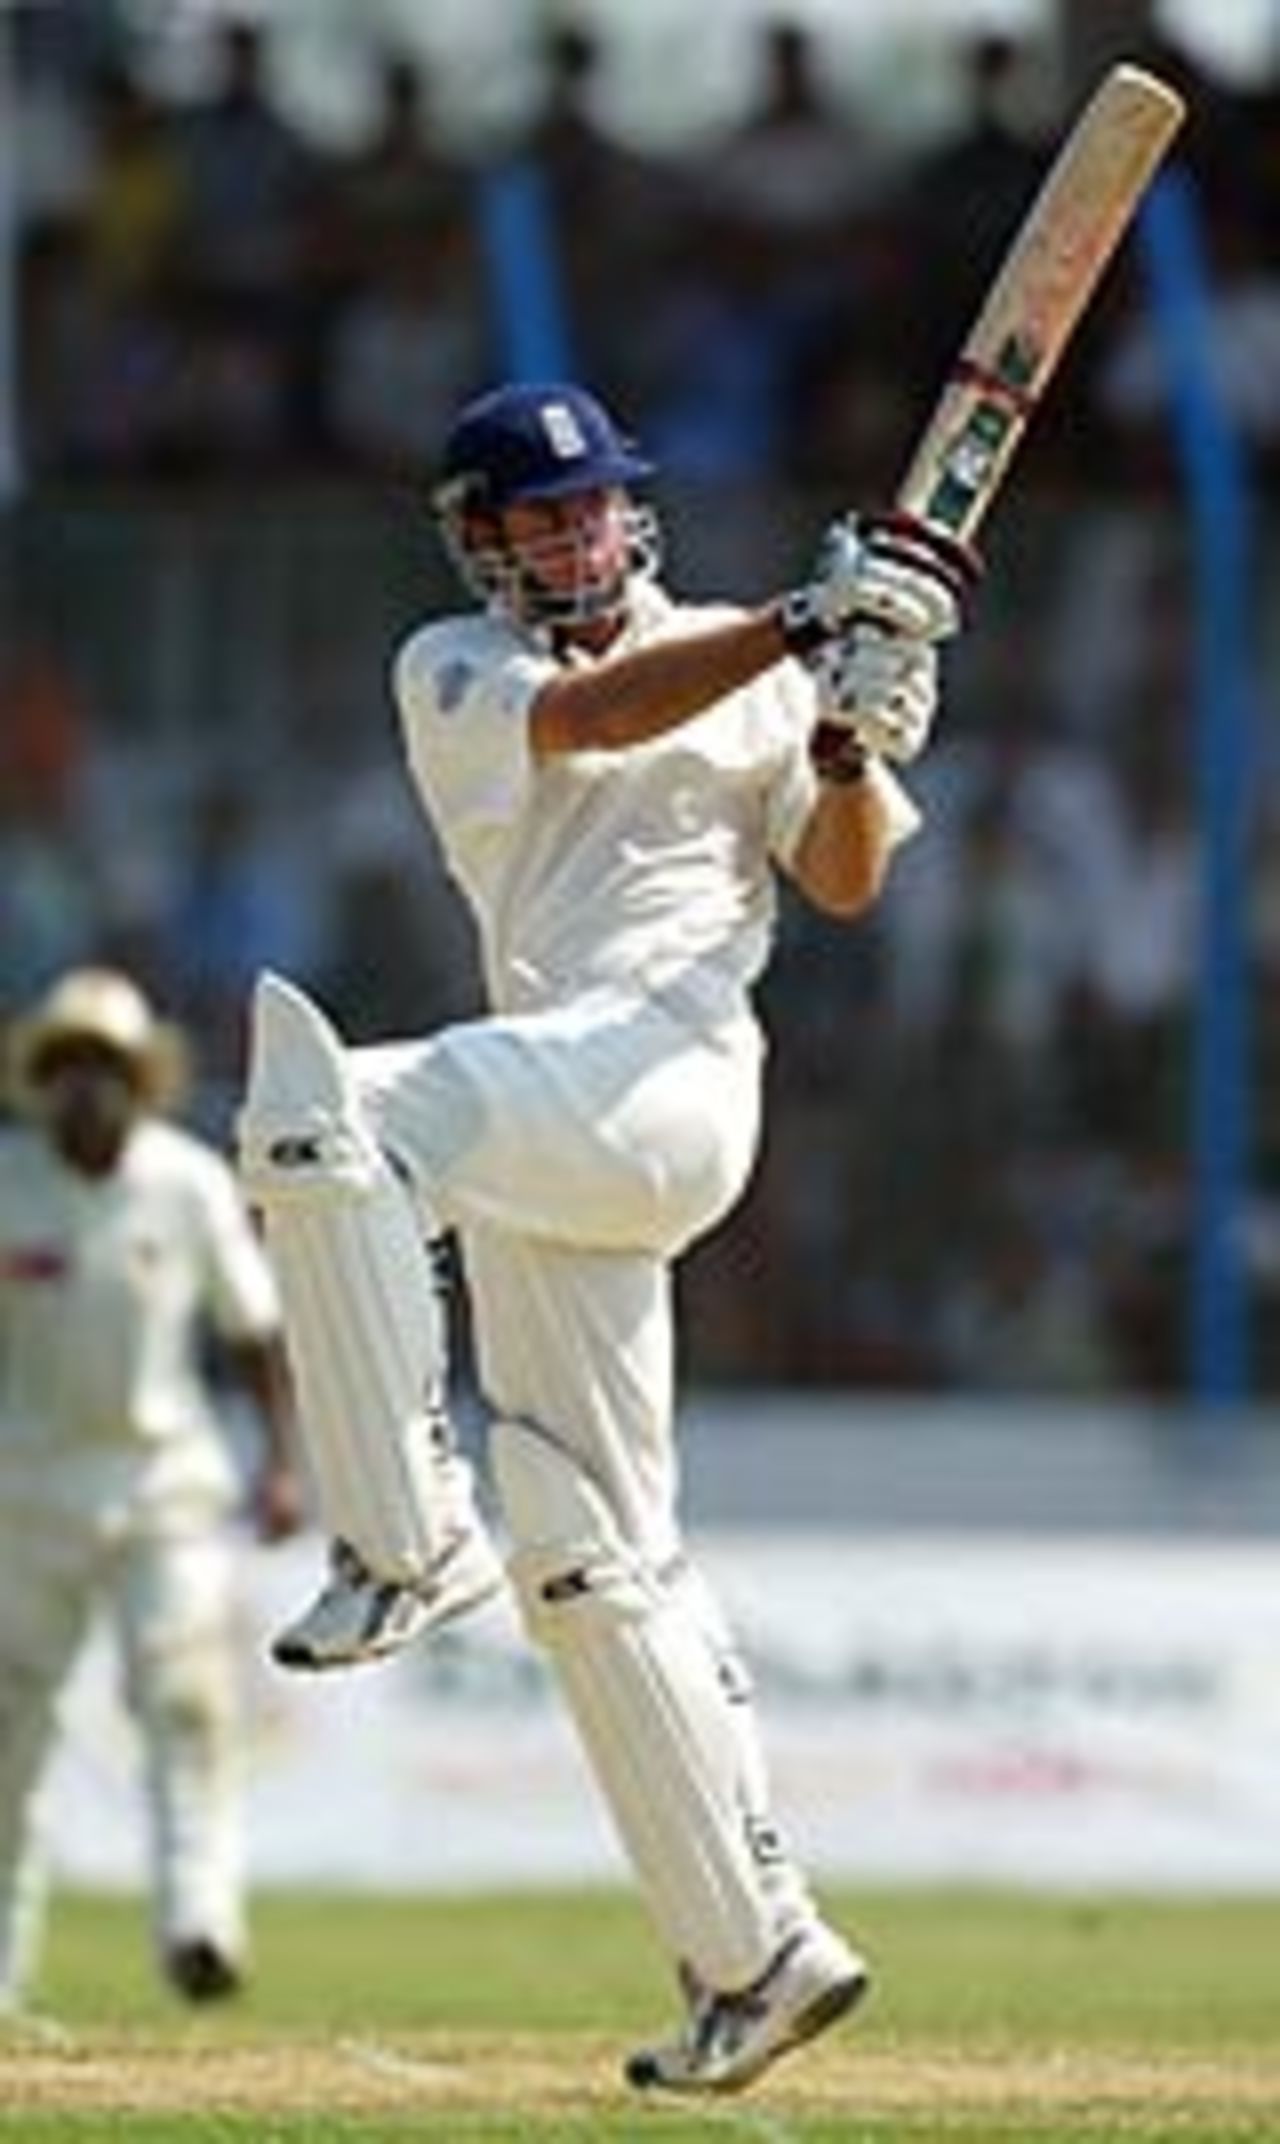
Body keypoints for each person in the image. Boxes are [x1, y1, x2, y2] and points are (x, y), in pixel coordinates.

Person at [237, 380, 966, 2093]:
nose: (576, 536)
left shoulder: (751, 655)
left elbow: (846, 875)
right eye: (539, 518)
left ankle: (405, 1536)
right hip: (555, 1105)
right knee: (589, 1541)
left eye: (595, 508)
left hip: (673, 1079)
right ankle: (757, 1951)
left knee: (324, 1108)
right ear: (481, 541)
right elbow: (591, 718)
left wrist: (849, 738)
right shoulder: (455, 668)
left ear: (635, 513)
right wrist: (808, 631)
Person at [0, 966, 303, 2011]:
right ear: (42, 1082)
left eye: (107, 1070)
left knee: (184, 1700)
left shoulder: (188, 1181)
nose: (87, 1091)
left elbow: (256, 1330)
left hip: (164, 1482)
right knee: (8, 1731)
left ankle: (198, 1922)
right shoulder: (6, 1180)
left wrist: (283, 1462)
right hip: (24, 1490)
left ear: (140, 1081)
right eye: (69, 1069)